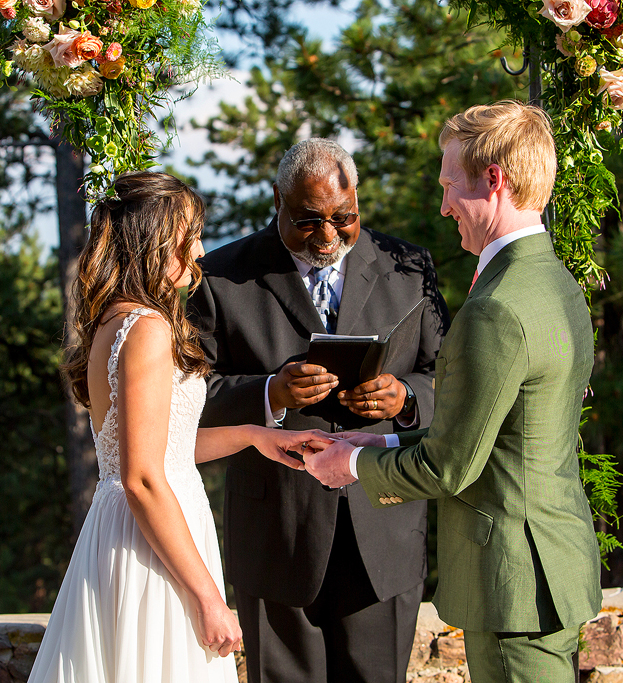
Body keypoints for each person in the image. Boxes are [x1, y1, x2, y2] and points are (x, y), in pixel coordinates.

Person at [304, 101, 603, 683]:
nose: (443, 207)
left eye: (449, 186)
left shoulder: (496, 307)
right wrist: (388, 436)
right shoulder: (555, 280)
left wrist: (355, 463)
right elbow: (499, 431)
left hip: (514, 580)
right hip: (551, 563)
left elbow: (451, 468)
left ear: (494, 180)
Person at [28, 172, 329, 683]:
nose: (199, 248)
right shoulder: (146, 327)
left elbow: (160, 447)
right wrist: (208, 597)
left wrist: (258, 436)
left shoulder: (115, 319)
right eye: (188, 234)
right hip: (151, 546)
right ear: (154, 242)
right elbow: (143, 478)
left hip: (135, 531)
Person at [187, 139, 449, 683]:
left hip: (385, 529)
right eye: (308, 221)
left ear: (359, 203)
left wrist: (405, 398)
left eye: (344, 218)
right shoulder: (219, 277)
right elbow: (186, 398)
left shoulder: (410, 269)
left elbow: (450, 378)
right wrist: (269, 394)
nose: (328, 236)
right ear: (276, 201)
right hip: (276, 534)